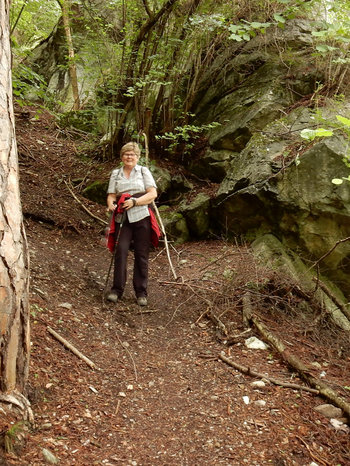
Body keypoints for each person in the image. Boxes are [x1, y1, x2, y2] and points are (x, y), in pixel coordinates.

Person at [106, 142, 157, 306]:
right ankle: (116, 290)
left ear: (138, 157)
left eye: (132, 154)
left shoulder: (143, 171)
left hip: (142, 215)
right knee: (121, 250)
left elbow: (152, 194)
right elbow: (111, 195)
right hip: (123, 218)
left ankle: (141, 292)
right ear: (122, 157)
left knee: (142, 254)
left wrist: (135, 202)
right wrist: (111, 204)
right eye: (126, 154)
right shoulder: (116, 173)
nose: (129, 157)